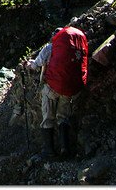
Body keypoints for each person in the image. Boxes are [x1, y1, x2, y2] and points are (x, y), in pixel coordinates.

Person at [25, 26, 88, 159]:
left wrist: (29, 64)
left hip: (52, 87)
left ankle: (49, 151)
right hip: (70, 89)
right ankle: (65, 148)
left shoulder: (50, 48)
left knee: (48, 117)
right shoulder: (76, 49)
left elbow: (36, 64)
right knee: (63, 117)